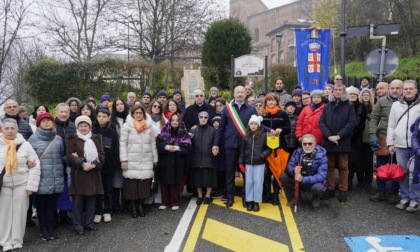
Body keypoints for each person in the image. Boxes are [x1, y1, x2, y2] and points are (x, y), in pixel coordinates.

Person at [213, 86, 271, 208]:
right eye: (237, 92)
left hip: (246, 147)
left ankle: (246, 198)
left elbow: (258, 125)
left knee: (246, 174)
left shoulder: (251, 109)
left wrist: (272, 130)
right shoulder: (227, 109)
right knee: (229, 173)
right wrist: (216, 144)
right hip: (230, 146)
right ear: (233, 94)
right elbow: (221, 128)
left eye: (242, 92)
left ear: (246, 94)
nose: (239, 94)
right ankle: (230, 197)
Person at [0, 118, 40, 251]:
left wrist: (31, 186)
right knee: (4, 213)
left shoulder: (25, 145)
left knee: (20, 212)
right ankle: (5, 241)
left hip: (21, 183)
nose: (10, 131)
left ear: (17, 129)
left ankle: (17, 239)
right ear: (2, 130)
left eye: (12, 128)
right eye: (7, 128)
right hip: (3, 185)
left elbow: (35, 165)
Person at [28, 113, 64, 241]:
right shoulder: (32, 139)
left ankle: (50, 228)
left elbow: (62, 155)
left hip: (56, 177)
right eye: (44, 121)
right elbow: (28, 158)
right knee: (42, 206)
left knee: (51, 205)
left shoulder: (58, 139)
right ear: (38, 124)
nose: (47, 123)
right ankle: (43, 229)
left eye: (49, 120)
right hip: (41, 178)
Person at [66, 116, 105, 235]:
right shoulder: (72, 138)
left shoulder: (96, 138)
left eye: (86, 126)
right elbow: (70, 156)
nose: (83, 128)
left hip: (93, 173)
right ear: (77, 127)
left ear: (90, 127)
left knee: (91, 200)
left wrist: (92, 164)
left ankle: (89, 223)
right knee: (77, 201)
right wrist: (82, 163)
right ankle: (78, 225)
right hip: (79, 174)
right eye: (81, 126)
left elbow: (101, 155)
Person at [319, 83, 356, 203]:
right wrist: (329, 136)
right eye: (336, 90)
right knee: (329, 166)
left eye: (340, 90)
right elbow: (321, 122)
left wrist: (339, 136)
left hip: (343, 141)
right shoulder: (327, 106)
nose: (338, 92)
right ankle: (330, 189)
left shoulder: (349, 106)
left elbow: (351, 123)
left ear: (344, 92)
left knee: (343, 166)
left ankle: (343, 190)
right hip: (329, 141)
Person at [387, 80, 420, 212]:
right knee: (402, 173)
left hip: (416, 146)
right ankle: (405, 197)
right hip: (400, 144)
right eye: (405, 89)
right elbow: (391, 125)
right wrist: (390, 143)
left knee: (417, 174)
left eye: (411, 89)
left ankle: (415, 200)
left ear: (416, 90)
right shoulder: (395, 105)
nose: (408, 91)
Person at [120, 105, 158, 217]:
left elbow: (153, 143)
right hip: (131, 160)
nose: (138, 115)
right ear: (132, 114)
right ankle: (133, 206)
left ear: (144, 113)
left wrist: (155, 159)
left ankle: (141, 206)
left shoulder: (149, 126)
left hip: (146, 159)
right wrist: (124, 160)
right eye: (136, 113)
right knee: (132, 186)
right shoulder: (126, 126)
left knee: (144, 185)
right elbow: (122, 144)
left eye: (140, 112)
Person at [368, 80, 403, 203]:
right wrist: (372, 133)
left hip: (400, 139)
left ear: (402, 89)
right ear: (389, 88)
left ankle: (394, 193)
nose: (395, 90)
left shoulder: (406, 102)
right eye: (392, 88)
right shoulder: (382, 101)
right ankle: (381, 191)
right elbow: (374, 118)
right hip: (382, 137)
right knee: (381, 166)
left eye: (398, 88)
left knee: (397, 168)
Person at [280, 134, 327, 208]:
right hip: (299, 179)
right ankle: (295, 198)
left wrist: (303, 179)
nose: (307, 146)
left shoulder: (322, 156)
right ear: (301, 144)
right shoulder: (297, 152)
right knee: (283, 176)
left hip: (312, 182)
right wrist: (293, 170)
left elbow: (321, 176)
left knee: (319, 187)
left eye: (310, 143)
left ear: (315, 144)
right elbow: (289, 166)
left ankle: (316, 199)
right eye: (304, 144)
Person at [156, 114, 191, 210]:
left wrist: (176, 148)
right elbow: (159, 143)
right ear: (170, 122)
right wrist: (166, 147)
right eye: (173, 120)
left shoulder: (184, 134)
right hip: (165, 161)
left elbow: (188, 148)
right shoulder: (164, 132)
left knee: (176, 183)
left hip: (178, 161)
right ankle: (165, 201)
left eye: (177, 120)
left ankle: (175, 201)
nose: (175, 122)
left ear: (180, 122)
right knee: (164, 182)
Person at [261, 93, 290, 205]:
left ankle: (276, 195)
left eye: (273, 100)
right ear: (266, 102)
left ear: (277, 102)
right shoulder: (262, 114)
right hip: (266, 146)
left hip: (280, 146)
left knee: (278, 171)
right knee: (266, 172)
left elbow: (288, 128)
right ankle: (267, 193)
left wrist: (281, 129)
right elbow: (259, 129)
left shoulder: (282, 113)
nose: (271, 102)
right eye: (269, 100)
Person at [238, 115, 271, 212]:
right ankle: (249, 200)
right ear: (249, 125)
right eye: (251, 124)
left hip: (259, 163)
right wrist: (240, 162)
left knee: (258, 182)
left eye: (255, 124)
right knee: (249, 182)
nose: (253, 126)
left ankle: (256, 201)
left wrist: (263, 155)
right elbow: (242, 150)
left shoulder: (263, 136)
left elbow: (269, 148)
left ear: (259, 125)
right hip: (248, 163)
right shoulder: (246, 136)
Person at [92, 108, 120, 223]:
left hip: (109, 166)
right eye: (99, 116)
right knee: (97, 190)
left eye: (104, 116)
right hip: (95, 167)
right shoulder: (93, 131)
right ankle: (98, 211)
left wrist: (114, 163)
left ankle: (107, 210)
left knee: (108, 189)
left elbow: (116, 150)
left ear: (108, 118)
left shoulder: (112, 132)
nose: (101, 118)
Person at [189, 111, 218, 205]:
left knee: (209, 178)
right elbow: (188, 144)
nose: (203, 119)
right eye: (201, 117)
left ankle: (208, 195)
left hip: (209, 157)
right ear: (198, 118)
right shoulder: (193, 130)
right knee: (198, 178)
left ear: (208, 119)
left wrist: (216, 149)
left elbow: (216, 143)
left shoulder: (212, 130)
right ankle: (200, 195)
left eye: (205, 117)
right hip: (196, 157)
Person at [54, 103, 76, 225]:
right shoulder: (51, 126)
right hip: (55, 163)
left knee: (66, 189)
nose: (63, 114)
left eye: (65, 112)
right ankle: (53, 216)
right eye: (61, 112)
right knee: (56, 190)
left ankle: (63, 215)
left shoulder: (72, 127)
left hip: (69, 162)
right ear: (56, 113)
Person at [110, 98, 129, 213]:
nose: (120, 106)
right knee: (116, 181)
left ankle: (126, 205)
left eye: (121, 104)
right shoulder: (112, 121)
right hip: (116, 153)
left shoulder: (129, 119)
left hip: (128, 153)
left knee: (126, 179)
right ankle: (116, 206)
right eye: (117, 104)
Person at [346, 86, 366, 190]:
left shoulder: (362, 107)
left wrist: (352, 133)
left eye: (354, 94)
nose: (352, 96)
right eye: (350, 94)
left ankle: (349, 180)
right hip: (344, 137)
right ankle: (344, 181)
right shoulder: (344, 106)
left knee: (353, 160)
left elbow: (361, 123)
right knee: (344, 160)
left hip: (356, 137)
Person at [358, 88, 375, 188]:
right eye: (364, 95)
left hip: (369, 139)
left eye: (367, 95)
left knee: (369, 161)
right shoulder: (358, 107)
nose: (365, 96)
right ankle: (360, 180)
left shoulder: (374, 107)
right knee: (359, 161)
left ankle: (368, 181)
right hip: (359, 138)